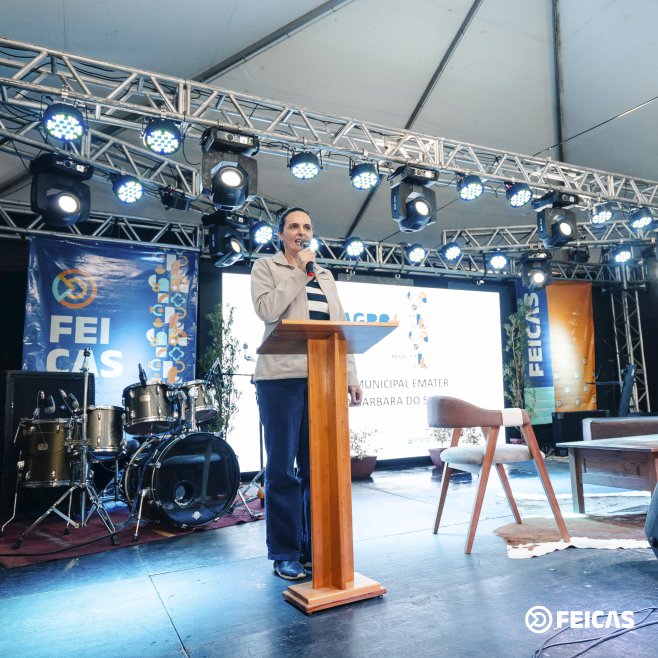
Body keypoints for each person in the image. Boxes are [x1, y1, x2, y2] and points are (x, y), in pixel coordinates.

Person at [251, 207, 363, 580]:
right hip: (280, 379)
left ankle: (314, 547)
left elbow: (339, 327)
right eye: (294, 226)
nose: (302, 231)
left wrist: (350, 376)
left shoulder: (325, 275)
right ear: (281, 234)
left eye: (307, 227)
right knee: (282, 469)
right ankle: (285, 552)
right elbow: (268, 310)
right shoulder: (266, 268)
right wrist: (300, 271)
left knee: (317, 469)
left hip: (322, 379)